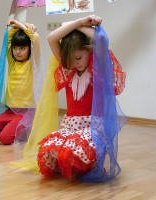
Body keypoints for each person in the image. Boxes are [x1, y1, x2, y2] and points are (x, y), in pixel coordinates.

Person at [18, 15, 127, 182]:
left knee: (77, 150)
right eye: (71, 59)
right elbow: (51, 38)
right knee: (50, 150)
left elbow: (102, 38)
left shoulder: (97, 70)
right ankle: (78, 163)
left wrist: (77, 26)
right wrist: (78, 22)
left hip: (93, 128)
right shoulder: (68, 70)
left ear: (89, 50)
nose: (75, 63)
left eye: (79, 58)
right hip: (71, 126)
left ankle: (89, 162)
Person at [0, 20, 41, 145]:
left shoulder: (32, 64)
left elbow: (35, 38)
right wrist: (14, 27)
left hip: (25, 112)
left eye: (22, 48)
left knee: (4, 139)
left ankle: (23, 126)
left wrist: (21, 26)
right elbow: (8, 39)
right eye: (15, 48)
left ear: (30, 49)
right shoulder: (12, 62)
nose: (18, 52)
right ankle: (13, 126)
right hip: (10, 111)